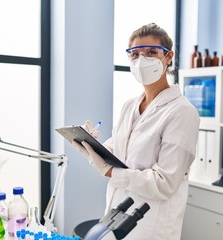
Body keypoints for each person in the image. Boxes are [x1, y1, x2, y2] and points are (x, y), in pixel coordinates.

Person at [73, 23, 200, 240]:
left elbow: (164, 182)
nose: (141, 60)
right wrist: (92, 147)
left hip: (152, 225)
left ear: (168, 57)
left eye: (151, 52)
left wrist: (111, 171)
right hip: (115, 216)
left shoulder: (182, 112)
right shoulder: (130, 106)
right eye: (135, 54)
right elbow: (119, 151)